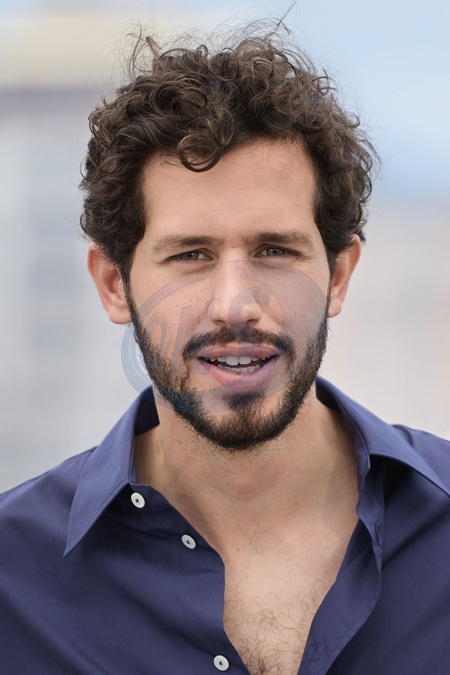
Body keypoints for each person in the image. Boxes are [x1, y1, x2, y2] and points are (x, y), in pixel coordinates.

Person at [1, 19, 450, 675]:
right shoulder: (13, 578)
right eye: (190, 255)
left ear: (338, 275)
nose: (235, 304)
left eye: (275, 250)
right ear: (114, 284)